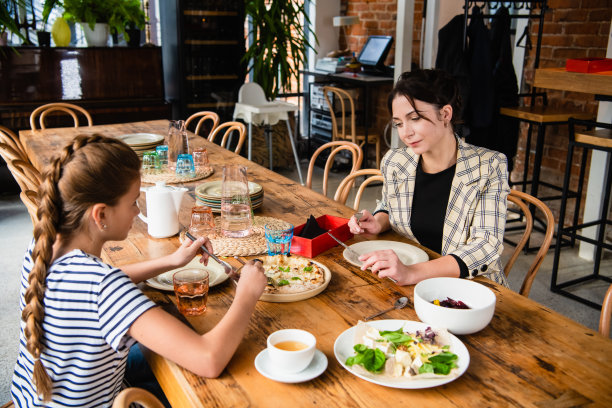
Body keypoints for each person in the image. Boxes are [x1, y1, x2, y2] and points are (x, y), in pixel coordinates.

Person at [11, 134, 267, 407]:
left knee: (155, 357)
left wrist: (173, 260)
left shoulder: (42, 247)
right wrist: (247, 296)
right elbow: (209, 360)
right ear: (101, 215)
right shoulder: (104, 289)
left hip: (34, 399)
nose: (137, 211)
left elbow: (100, 290)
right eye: (133, 201)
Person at [348, 69, 509, 286]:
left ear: (445, 114)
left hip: (470, 287)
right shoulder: (396, 161)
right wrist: (378, 221)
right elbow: (390, 205)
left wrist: (412, 272)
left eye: (414, 118)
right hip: (413, 284)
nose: (405, 133)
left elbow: (485, 246)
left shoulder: (488, 166)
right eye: (398, 123)